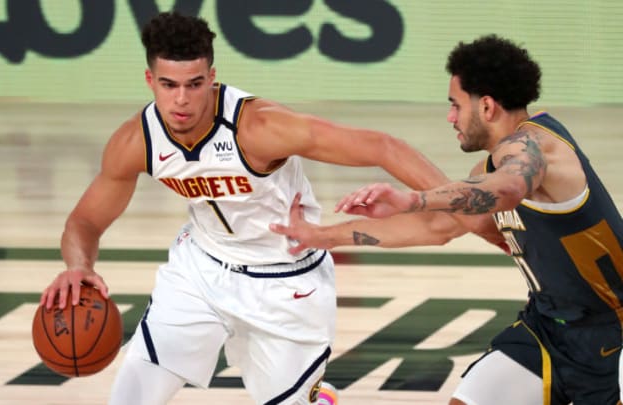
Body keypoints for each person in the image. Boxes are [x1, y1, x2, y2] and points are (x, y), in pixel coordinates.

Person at [38, 11, 452, 405]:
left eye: (194, 84)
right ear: (150, 80)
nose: (181, 100)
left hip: (286, 278)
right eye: (168, 85)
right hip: (199, 271)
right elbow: (86, 220)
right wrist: (79, 266)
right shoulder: (138, 140)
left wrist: (463, 202)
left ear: (212, 78)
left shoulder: (258, 128)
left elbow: (382, 146)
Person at [271, 34, 623, 405]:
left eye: (456, 105)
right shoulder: (488, 166)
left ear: (486, 106)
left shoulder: (536, 146)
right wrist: (322, 236)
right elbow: (438, 227)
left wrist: (410, 199)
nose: (450, 116)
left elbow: (508, 188)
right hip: (548, 330)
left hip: (615, 334)